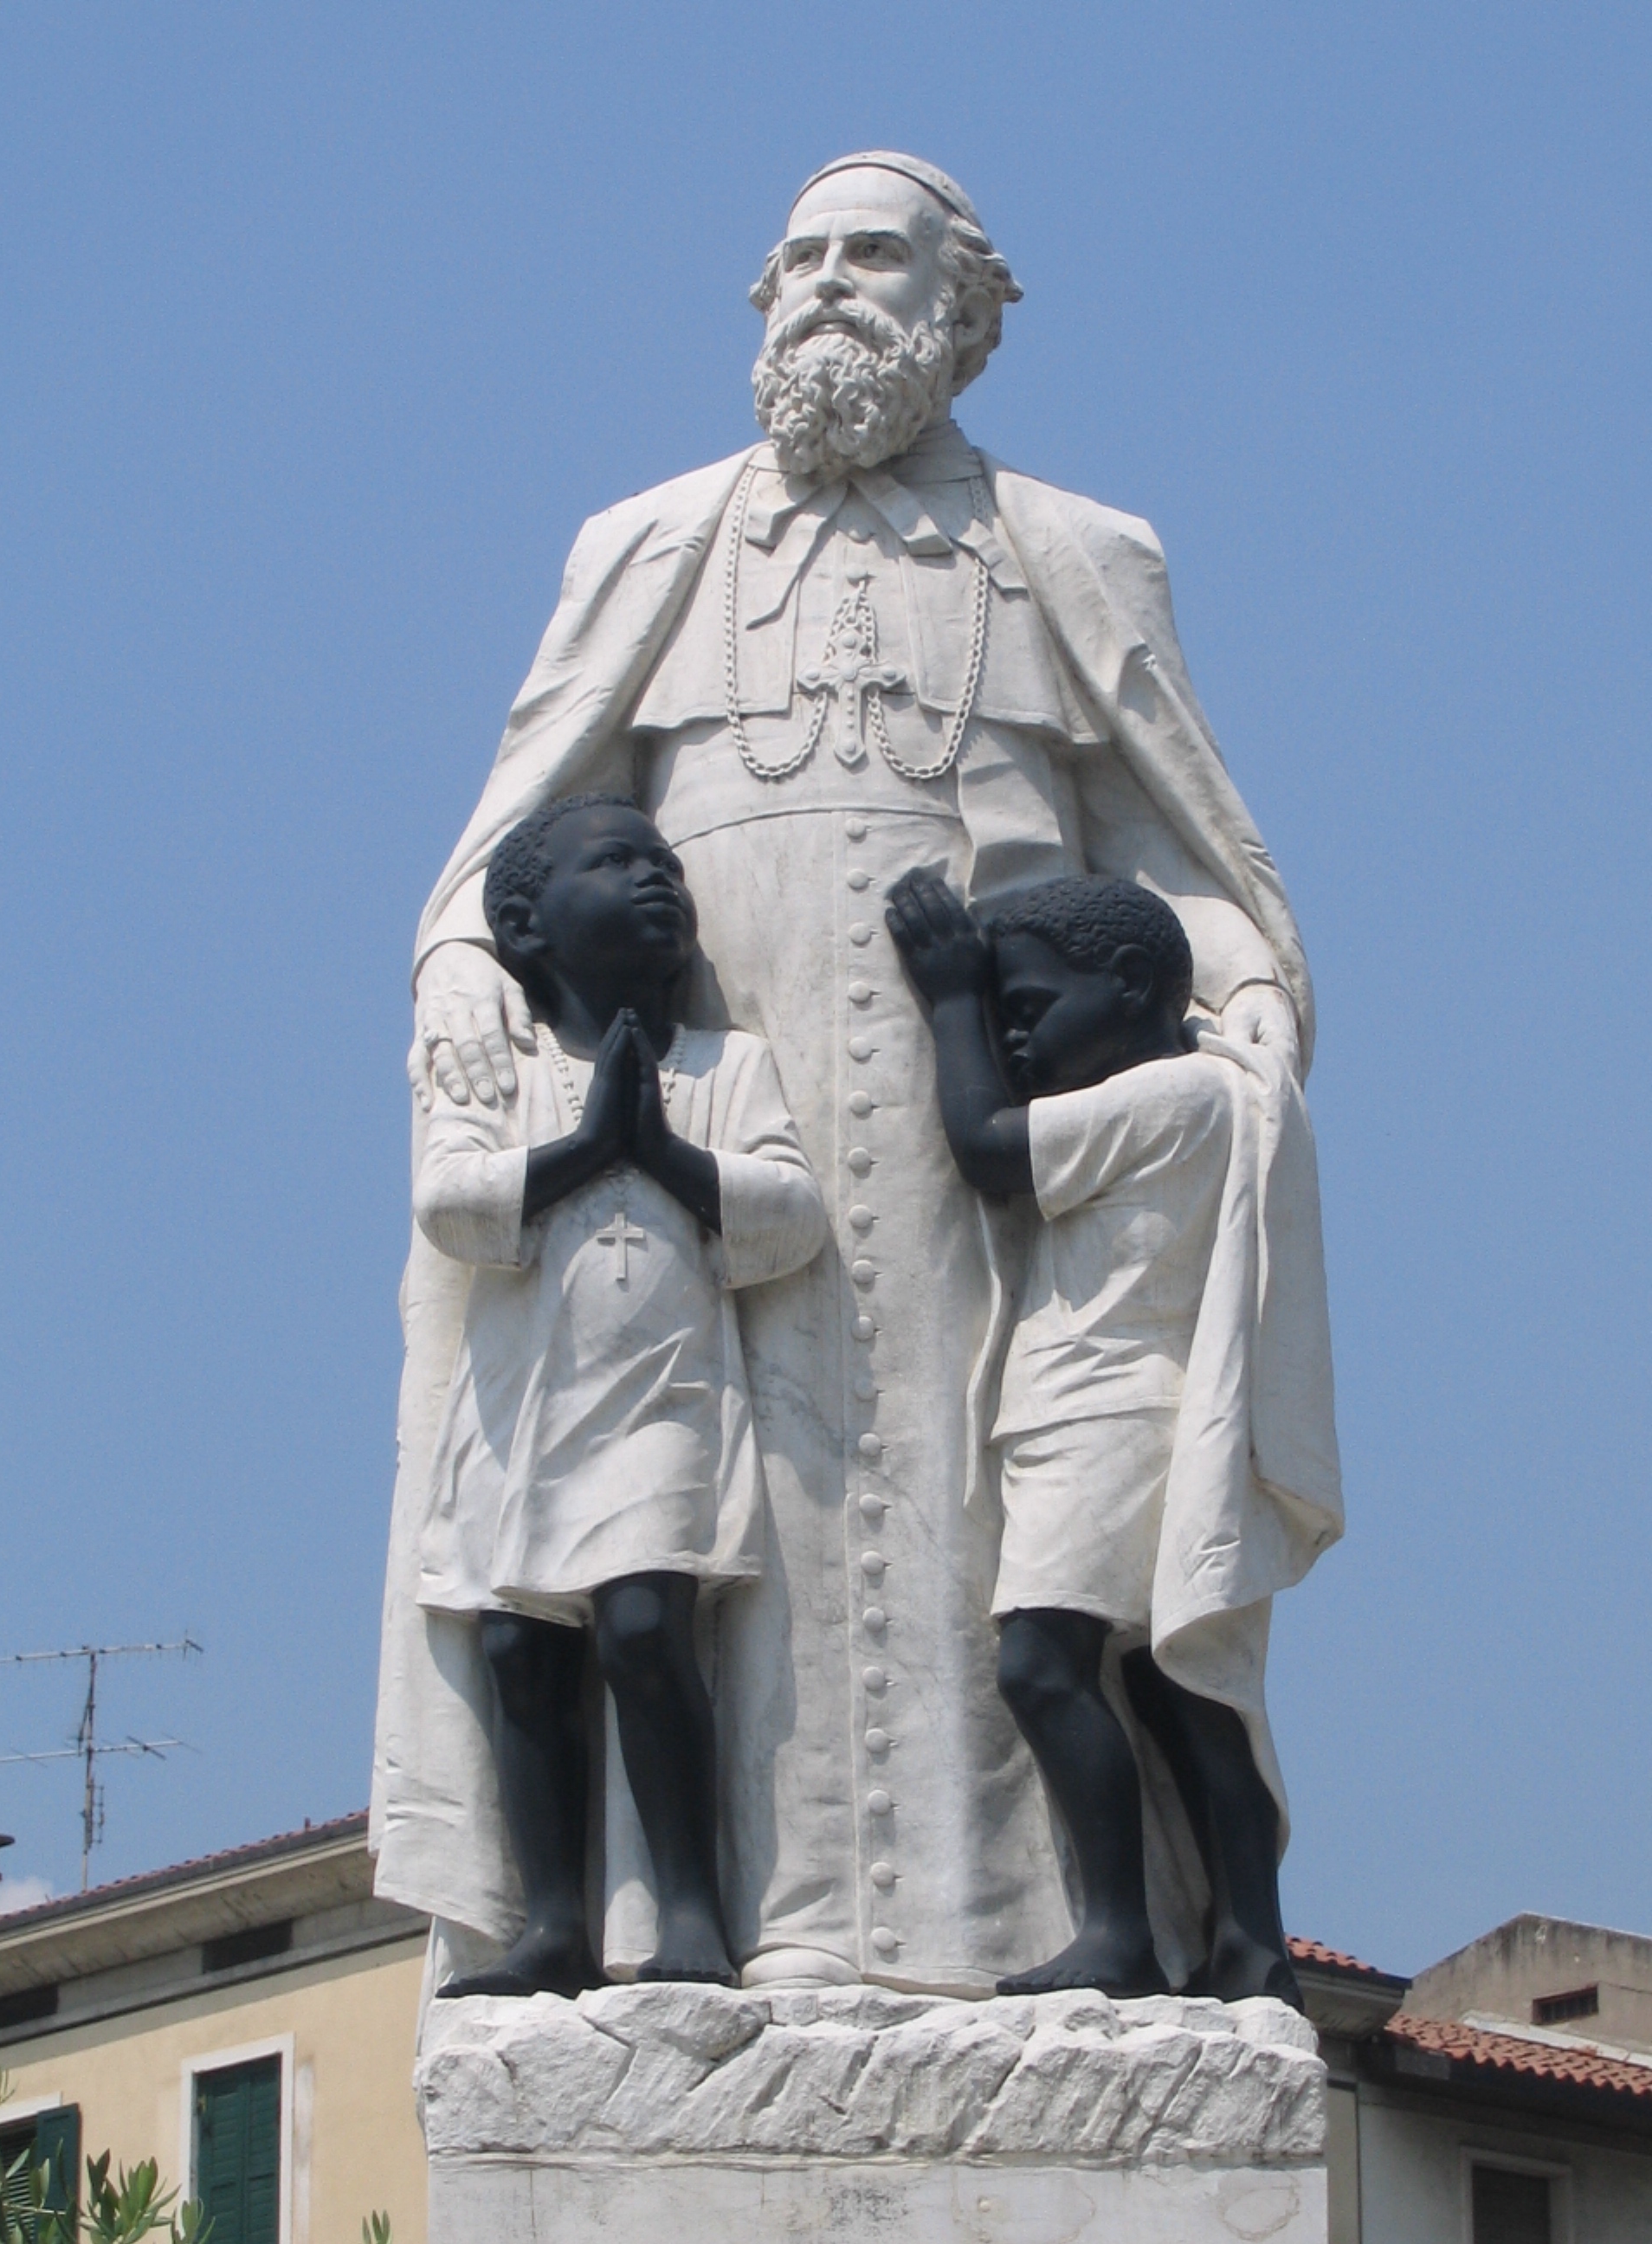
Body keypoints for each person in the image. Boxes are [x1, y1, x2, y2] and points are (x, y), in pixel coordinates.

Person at [373, 151, 1327, 1996]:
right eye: (798, 257)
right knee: (717, 1548)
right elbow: (506, 845)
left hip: (989, 1144)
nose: (826, 286)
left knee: (993, 1543)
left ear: (963, 312)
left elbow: (1188, 867)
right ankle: (693, 1933)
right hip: (711, 1114)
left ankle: (1042, 1947)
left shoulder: (1080, 552)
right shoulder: (642, 543)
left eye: (872, 255)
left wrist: (1257, 1004)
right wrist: (451, 979)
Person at [887, 867, 1341, 2005]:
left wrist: (949, 998)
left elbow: (990, 1146)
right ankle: (1247, 1941)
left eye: (1032, 1010)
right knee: (1168, 1681)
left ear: (1134, 985)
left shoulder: (1177, 1097)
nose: (1018, 1038)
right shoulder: (1205, 1100)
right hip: (1106, 1411)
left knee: (1045, 1666)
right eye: (1004, 1019)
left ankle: (1121, 1935)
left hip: (1107, 1414)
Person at [412, 792, 825, 1996]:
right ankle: (553, 1922)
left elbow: (789, 1213)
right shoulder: (502, 1071)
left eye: (667, 865)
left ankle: (691, 1908)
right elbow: (450, 1204)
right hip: (518, 1416)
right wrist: (591, 1148)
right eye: (617, 863)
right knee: (522, 1654)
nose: (658, 881)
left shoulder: (723, 1064)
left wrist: (668, 1156)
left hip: (662, 1404)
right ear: (530, 929)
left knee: (647, 1629)